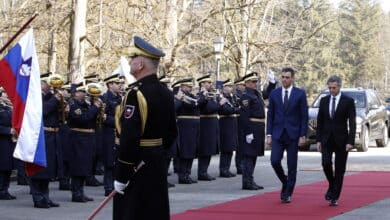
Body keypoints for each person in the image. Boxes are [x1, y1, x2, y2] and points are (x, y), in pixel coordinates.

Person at [113, 36, 177, 220]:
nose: (131, 62)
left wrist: (122, 174)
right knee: (154, 211)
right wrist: (155, 153)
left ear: (140, 64)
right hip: (155, 162)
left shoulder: (135, 94)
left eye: (133, 59)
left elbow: (129, 138)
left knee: (132, 212)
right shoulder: (165, 92)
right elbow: (172, 133)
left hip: (135, 165)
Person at [266, 67, 308, 203]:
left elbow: (304, 116)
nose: (284, 80)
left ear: (292, 78)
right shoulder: (274, 94)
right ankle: (285, 182)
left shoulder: (300, 94)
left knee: (292, 166)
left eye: (287, 77)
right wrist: (269, 134)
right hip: (278, 134)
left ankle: (288, 193)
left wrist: (302, 135)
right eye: (282, 77)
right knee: (274, 161)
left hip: (293, 135)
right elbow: (271, 115)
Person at [316, 75, 355, 206]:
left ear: (339, 86)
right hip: (326, 139)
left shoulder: (348, 101)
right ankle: (332, 185)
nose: (331, 90)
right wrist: (319, 140)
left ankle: (335, 197)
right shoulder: (324, 100)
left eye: (334, 87)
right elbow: (320, 121)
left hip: (342, 140)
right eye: (329, 88)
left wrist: (350, 141)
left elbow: (353, 123)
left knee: (339, 169)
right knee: (326, 163)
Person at [29, 73, 62, 208]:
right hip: (40, 134)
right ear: (41, 84)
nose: (50, 85)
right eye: (48, 83)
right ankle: (38, 198)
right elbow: (42, 111)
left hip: (51, 134)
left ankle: (45, 197)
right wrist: (55, 99)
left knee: (48, 168)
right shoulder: (34, 97)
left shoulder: (49, 97)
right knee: (39, 168)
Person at [239, 72, 275, 190]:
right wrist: (248, 132)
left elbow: (267, 94)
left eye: (256, 81)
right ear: (247, 83)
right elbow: (244, 115)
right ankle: (247, 181)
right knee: (249, 156)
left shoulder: (256, 94)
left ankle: (250, 180)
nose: (255, 84)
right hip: (252, 127)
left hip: (258, 127)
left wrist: (271, 83)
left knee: (253, 155)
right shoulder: (246, 96)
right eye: (253, 82)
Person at [68, 82, 101, 202]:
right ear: (75, 93)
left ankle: (80, 191)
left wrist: (95, 106)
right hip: (78, 138)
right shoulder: (73, 105)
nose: (84, 93)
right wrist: (95, 107)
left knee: (85, 166)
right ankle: (76, 193)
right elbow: (83, 118)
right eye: (82, 91)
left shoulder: (85, 104)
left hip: (87, 138)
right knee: (78, 166)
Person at [196, 74, 226, 181]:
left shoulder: (209, 95)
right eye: (208, 83)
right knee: (205, 149)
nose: (210, 84)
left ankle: (204, 171)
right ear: (202, 84)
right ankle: (202, 172)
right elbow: (209, 109)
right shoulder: (201, 95)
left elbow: (215, 108)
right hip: (206, 123)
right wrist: (220, 104)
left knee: (209, 149)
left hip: (212, 123)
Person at [174, 77, 199, 184]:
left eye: (190, 86)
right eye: (188, 86)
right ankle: (182, 175)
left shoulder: (191, 96)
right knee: (185, 151)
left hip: (193, 127)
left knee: (191, 151)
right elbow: (175, 108)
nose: (190, 88)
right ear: (182, 87)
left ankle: (187, 174)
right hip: (184, 126)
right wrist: (179, 98)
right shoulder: (177, 96)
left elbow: (196, 104)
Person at [101, 74, 122, 196]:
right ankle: (108, 187)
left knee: (118, 161)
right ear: (109, 85)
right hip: (109, 133)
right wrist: (118, 122)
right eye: (116, 83)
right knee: (109, 162)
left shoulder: (121, 98)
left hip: (120, 134)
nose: (120, 85)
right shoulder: (105, 98)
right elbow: (103, 118)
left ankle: (116, 185)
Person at [218, 79, 240, 177]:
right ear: (223, 88)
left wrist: (235, 109)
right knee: (225, 148)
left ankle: (227, 168)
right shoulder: (221, 97)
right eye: (228, 86)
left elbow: (236, 107)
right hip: (225, 123)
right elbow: (227, 110)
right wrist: (236, 109)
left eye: (231, 86)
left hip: (232, 123)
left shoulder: (232, 97)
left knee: (230, 148)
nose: (230, 88)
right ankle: (223, 169)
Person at [0, 89, 17, 200]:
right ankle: (1, 190)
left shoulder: (7, 107)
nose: (7, 95)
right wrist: (8, 130)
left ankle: (5, 189)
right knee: (2, 167)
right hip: (1, 141)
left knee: (8, 167)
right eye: (5, 93)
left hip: (9, 141)